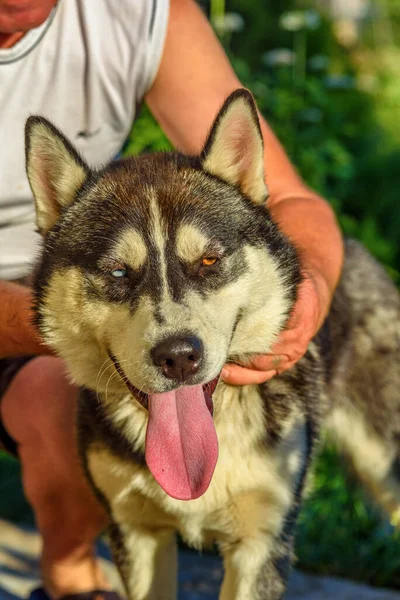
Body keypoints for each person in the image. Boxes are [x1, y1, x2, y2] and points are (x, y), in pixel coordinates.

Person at [0, 0, 344, 598]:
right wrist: (56, 330)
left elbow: (293, 200)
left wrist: (307, 292)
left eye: (208, 263)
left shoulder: (134, 11)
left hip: (72, 271)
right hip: (31, 309)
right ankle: (72, 579)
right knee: (63, 404)